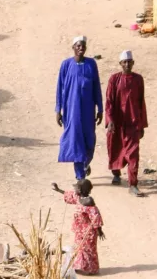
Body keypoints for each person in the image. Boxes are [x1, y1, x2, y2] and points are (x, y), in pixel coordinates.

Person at [56, 35, 103, 181]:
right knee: (75, 140)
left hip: (88, 110)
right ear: (73, 48)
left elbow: (96, 87)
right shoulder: (66, 65)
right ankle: (80, 176)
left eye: (83, 45)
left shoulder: (91, 64)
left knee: (89, 140)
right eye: (78, 45)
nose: (81, 48)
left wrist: (100, 108)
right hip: (71, 111)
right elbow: (60, 88)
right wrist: (58, 110)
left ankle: (85, 163)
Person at [105, 50, 148, 196]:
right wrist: (110, 120)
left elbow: (141, 102)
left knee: (133, 154)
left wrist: (142, 124)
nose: (127, 64)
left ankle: (133, 184)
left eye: (130, 62)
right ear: (120, 64)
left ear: (133, 63)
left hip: (133, 123)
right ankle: (116, 173)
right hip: (117, 123)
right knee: (115, 149)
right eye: (125, 62)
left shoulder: (138, 79)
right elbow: (109, 101)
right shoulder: (114, 80)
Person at [51, 179, 105, 276]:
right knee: (80, 249)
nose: (74, 188)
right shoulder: (78, 197)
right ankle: (80, 266)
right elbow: (69, 195)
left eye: (76, 187)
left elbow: (95, 216)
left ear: (81, 189)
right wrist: (58, 189)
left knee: (89, 250)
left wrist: (99, 231)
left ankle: (91, 269)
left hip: (88, 232)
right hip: (79, 230)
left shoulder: (89, 201)